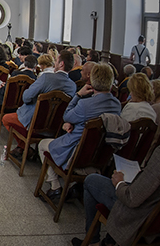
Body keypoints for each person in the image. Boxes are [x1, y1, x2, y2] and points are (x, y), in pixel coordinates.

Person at [71, 140, 160, 246]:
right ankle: (108, 243)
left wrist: (119, 183)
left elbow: (131, 198)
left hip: (136, 218)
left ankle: (92, 243)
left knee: (91, 181)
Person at [38, 63, 122, 200]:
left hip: (76, 156)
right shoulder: (117, 105)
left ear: (93, 81)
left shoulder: (84, 104)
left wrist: (78, 95)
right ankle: (73, 185)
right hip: (98, 157)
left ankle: (55, 187)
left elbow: (66, 115)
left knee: (42, 145)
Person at [2, 50, 77, 159]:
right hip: (55, 126)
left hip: (34, 122)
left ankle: (26, 148)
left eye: (56, 61)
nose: (54, 63)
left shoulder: (46, 77)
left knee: (6, 119)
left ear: (61, 64)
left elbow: (26, 97)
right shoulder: (72, 86)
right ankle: (25, 148)